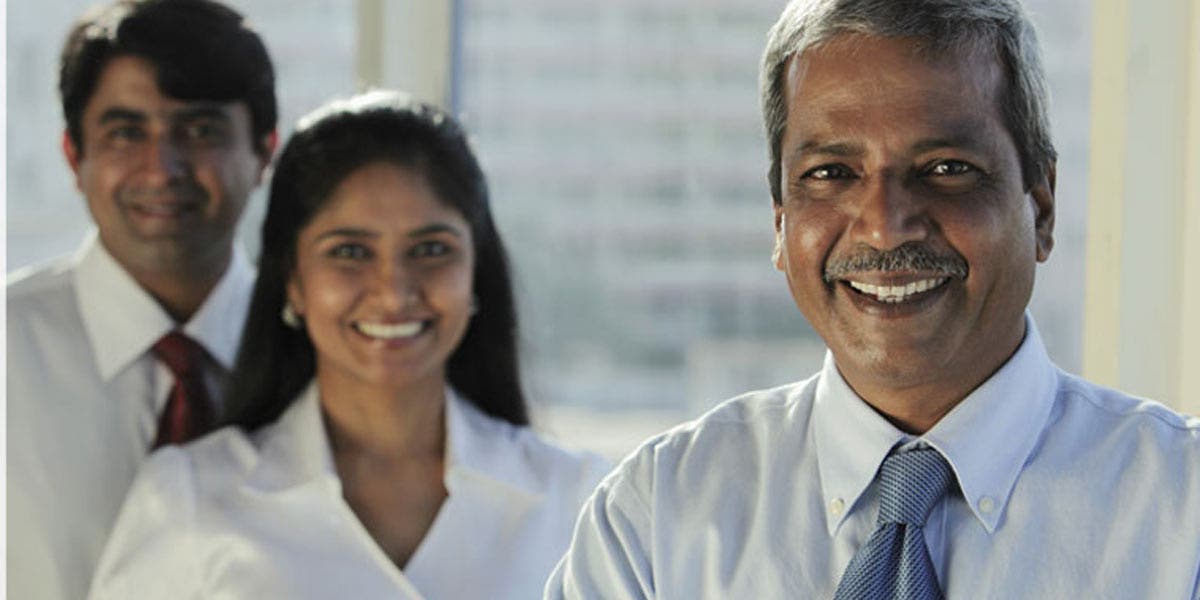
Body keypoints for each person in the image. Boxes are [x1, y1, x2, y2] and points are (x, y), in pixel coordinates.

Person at [546, 0, 1200, 598]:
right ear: (780, 222)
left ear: (1043, 206)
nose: (886, 225)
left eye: (947, 169)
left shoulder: (1185, 514)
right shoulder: (657, 520)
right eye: (831, 173)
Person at [87, 91, 611, 599]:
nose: (393, 292)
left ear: (476, 272)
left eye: (431, 249)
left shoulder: (578, 498)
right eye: (350, 251)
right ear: (293, 279)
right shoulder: (189, 497)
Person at [6, 1, 277, 598]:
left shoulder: (328, 353)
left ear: (264, 151)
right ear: (75, 157)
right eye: (126, 132)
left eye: (201, 129)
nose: (163, 168)